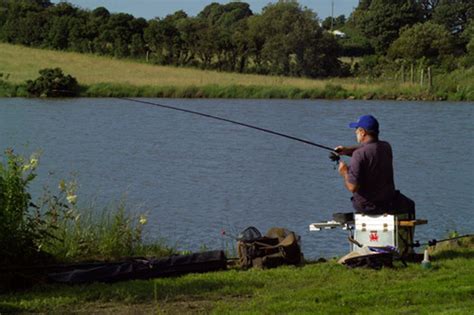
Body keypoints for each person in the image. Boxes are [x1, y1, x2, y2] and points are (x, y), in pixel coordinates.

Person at [335, 114, 414, 215]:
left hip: (366, 205)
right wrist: (347, 150)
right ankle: (406, 231)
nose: (355, 132)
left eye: (357, 129)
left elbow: (352, 187)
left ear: (362, 132)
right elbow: (370, 149)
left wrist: (345, 172)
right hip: (388, 202)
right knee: (410, 204)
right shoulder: (386, 147)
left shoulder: (358, 154)